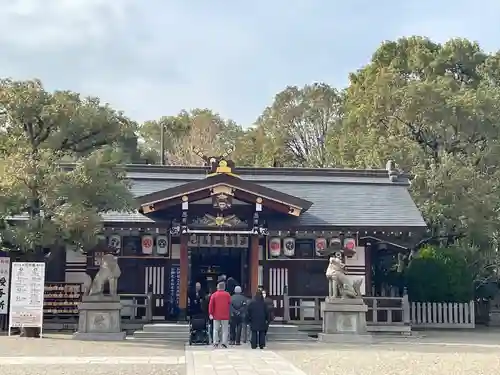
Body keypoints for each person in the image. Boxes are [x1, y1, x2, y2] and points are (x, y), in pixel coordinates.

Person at [208, 281, 231, 348]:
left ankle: (215, 342)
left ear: (218, 287)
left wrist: (210, 313)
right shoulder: (227, 295)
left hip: (216, 315)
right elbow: (229, 303)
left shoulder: (214, 295)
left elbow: (211, 305)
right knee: (225, 329)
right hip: (225, 315)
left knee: (215, 329)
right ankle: (224, 342)